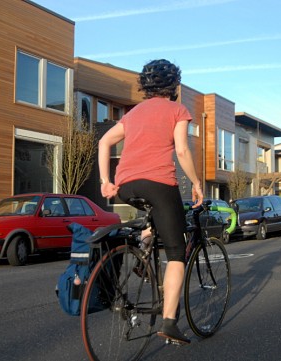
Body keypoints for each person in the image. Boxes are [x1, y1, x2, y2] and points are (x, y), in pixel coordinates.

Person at [98, 59, 204, 345]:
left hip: (125, 187)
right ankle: (170, 323)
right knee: (176, 252)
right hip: (157, 184)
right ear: (174, 86)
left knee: (154, 215)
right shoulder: (177, 109)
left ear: (145, 86)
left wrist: (105, 181)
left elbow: (104, 142)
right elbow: (181, 150)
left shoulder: (132, 114)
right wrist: (195, 182)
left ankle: (144, 251)